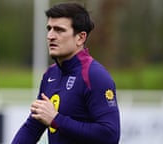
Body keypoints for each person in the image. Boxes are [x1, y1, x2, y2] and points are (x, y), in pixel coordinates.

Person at [12, 2, 120, 144]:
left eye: (59, 30)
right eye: (49, 29)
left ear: (80, 38)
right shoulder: (50, 75)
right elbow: (32, 127)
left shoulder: (94, 76)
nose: (50, 36)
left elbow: (110, 135)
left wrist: (56, 120)